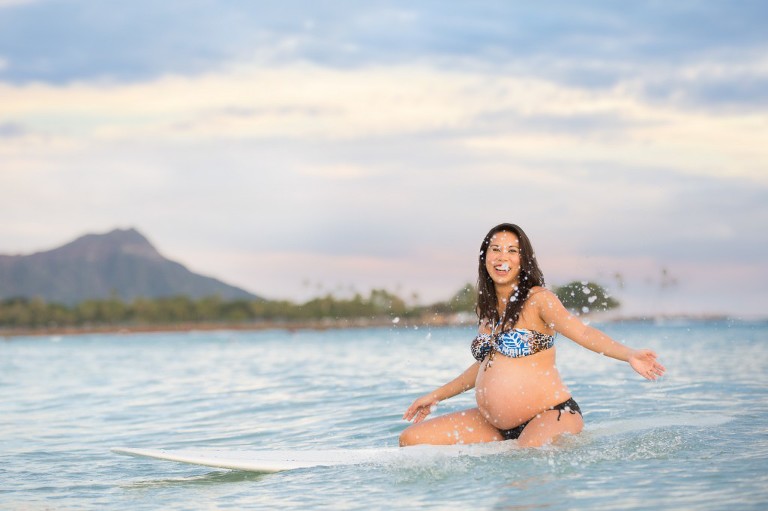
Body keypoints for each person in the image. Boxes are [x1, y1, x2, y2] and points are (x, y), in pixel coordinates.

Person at [400, 223, 665, 448]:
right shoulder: (487, 308)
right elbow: (487, 365)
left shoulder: (539, 299)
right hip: (493, 424)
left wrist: (629, 354)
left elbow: (582, 332)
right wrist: (436, 395)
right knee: (411, 440)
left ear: (523, 259)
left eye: (512, 250)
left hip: (551, 415)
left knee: (525, 459)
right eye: (496, 249)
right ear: (485, 257)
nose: (502, 256)